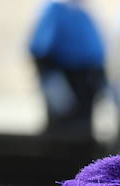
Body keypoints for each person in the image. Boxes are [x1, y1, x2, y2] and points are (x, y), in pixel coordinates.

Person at [28, 0, 107, 140]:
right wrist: (51, 80)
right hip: (65, 80)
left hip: (87, 84)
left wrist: (102, 81)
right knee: (61, 135)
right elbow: (40, 49)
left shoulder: (84, 12)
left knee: (83, 134)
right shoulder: (55, 9)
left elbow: (97, 53)